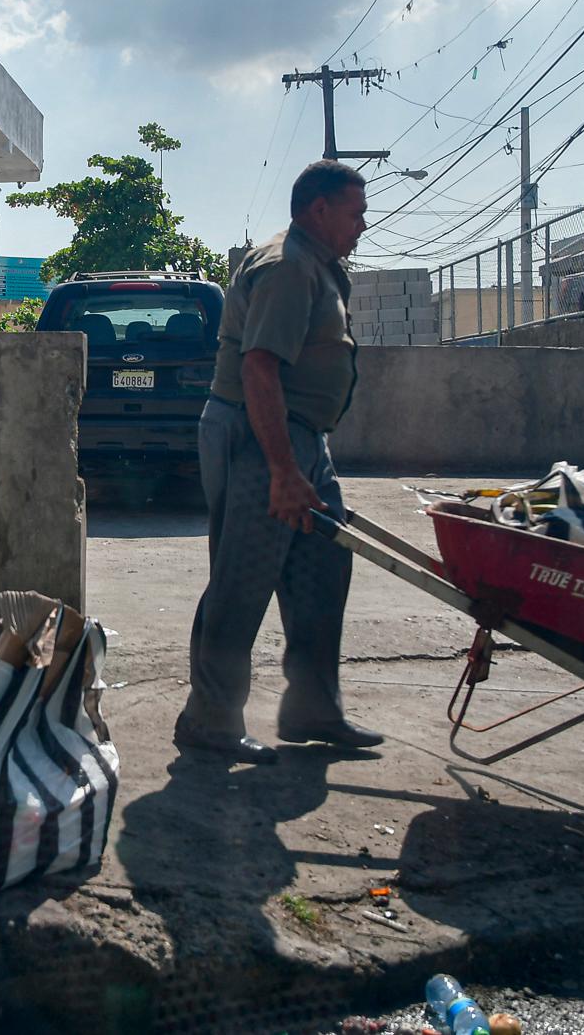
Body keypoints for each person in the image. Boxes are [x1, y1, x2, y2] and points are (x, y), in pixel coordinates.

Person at [175, 160, 382, 765]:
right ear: (318, 210)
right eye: (355, 212)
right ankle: (209, 720)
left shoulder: (316, 265)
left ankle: (313, 709)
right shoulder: (289, 268)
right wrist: (284, 471)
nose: (362, 224)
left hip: (300, 438)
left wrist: (302, 458)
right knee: (243, 578)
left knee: (322, 569)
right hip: (260, 438)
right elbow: (258, 368)